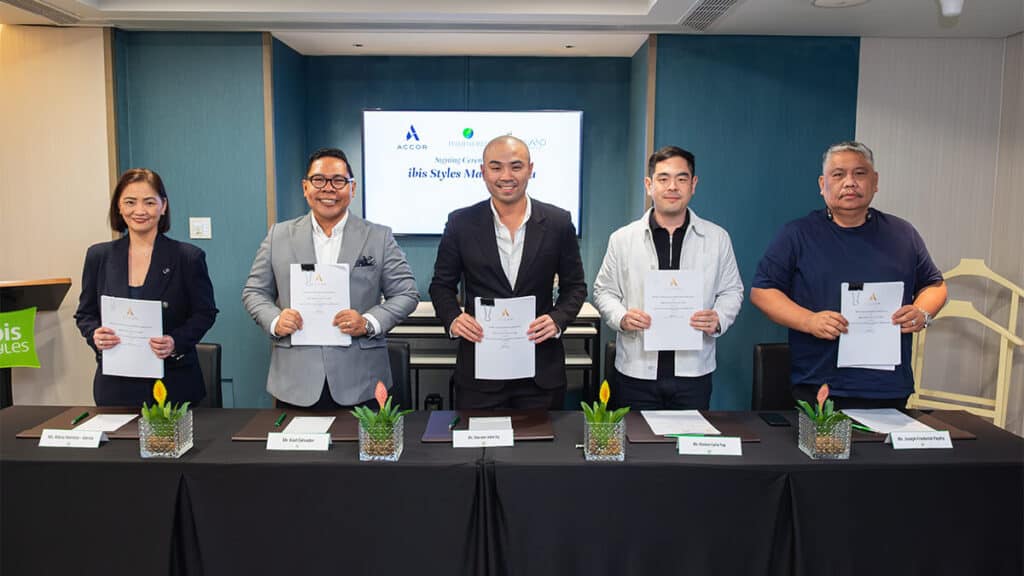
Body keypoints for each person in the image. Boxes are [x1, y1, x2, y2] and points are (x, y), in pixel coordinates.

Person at [750, 141, 947, 409]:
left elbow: (935, 285)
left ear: (875, 181)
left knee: (883, 452)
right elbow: (762, 292)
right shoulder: (797, 234)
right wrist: (809, 321)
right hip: (820, 384)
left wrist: (922, 313)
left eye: (860, 173)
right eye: (838, 174)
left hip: (887, 386)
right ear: (822, 184)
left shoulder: (903, 234)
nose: (850, 182)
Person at [243, 147, 418, 409]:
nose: (328, 188)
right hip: (295, 381)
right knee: (296, 451)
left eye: (338, 181)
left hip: (362, 381)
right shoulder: (278, 236)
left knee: (361, 451)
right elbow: (254, 292)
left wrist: (368, 322)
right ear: (305, 187)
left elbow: (406, 294)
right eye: (319, 180)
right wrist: (276, 320)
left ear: (352, 188)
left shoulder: (379, 237)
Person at [429, 135, 587, 410]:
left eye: (516, 166)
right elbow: (441, 286)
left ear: (530, 169)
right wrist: (453, 318)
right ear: (483, 172)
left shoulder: (558, 222)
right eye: (496, 167)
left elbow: (576, 287)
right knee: (480, 452)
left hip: (541, 372)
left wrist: (557, 319)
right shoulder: (460, 223)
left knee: (541, 450)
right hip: (480, 372)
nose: (506, 176)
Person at [593, 146, 743, 410]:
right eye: (663, 178)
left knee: (687, 447)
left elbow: (732, 291)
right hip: (635, 372)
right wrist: (622, 317)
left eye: (681, 178)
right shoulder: (623, 238)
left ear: (693, 184)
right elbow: (604, 291)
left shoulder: (717, 238)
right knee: (637, 447)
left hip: (694, 372)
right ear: (649, 185)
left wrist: (718, 318)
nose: (672, 186)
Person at [75, 168, 218, 406]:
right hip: (115, 386)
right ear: (119, 207)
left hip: (173, 383)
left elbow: (205, 313)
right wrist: (94, 334)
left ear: (163, 207)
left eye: (149, 202)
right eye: (130, 202)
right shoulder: (98, 256)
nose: (139, 211)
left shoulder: (188, 257)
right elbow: (85, 313)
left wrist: (174, 341)